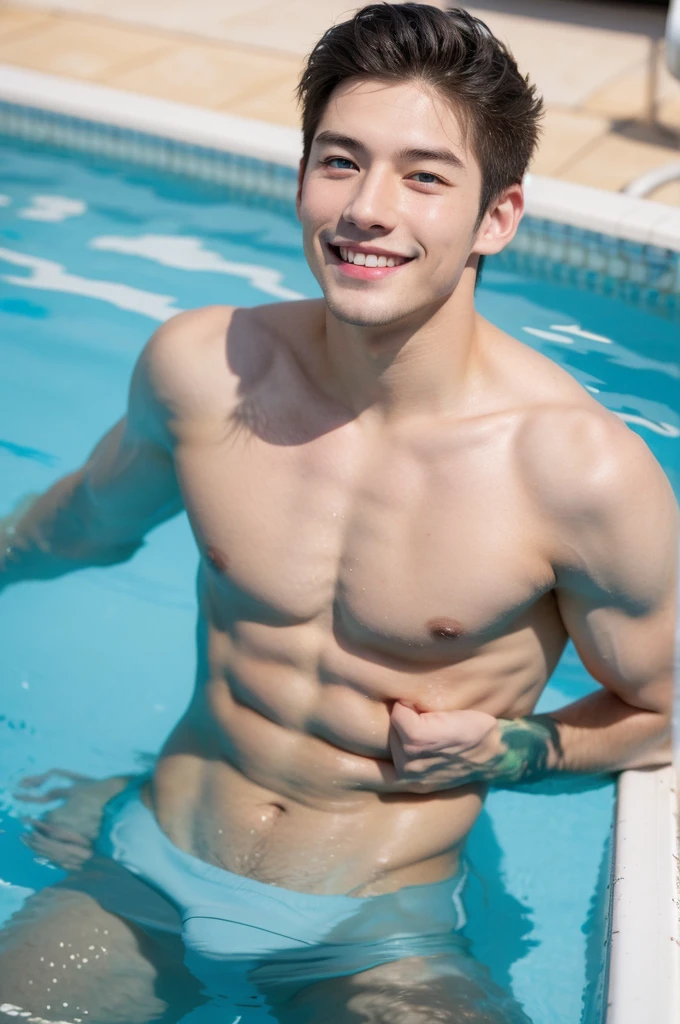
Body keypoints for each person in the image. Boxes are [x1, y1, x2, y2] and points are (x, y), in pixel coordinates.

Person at [0, 5, 676, 1023]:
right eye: (339, 161)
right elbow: (80, 523)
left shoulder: (578, 474)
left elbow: (661, 712)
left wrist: (516, 749)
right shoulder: (202, 367)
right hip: (147, 865)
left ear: (496, 216)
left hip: (376, 931)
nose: (367, 208)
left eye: (423, 176)